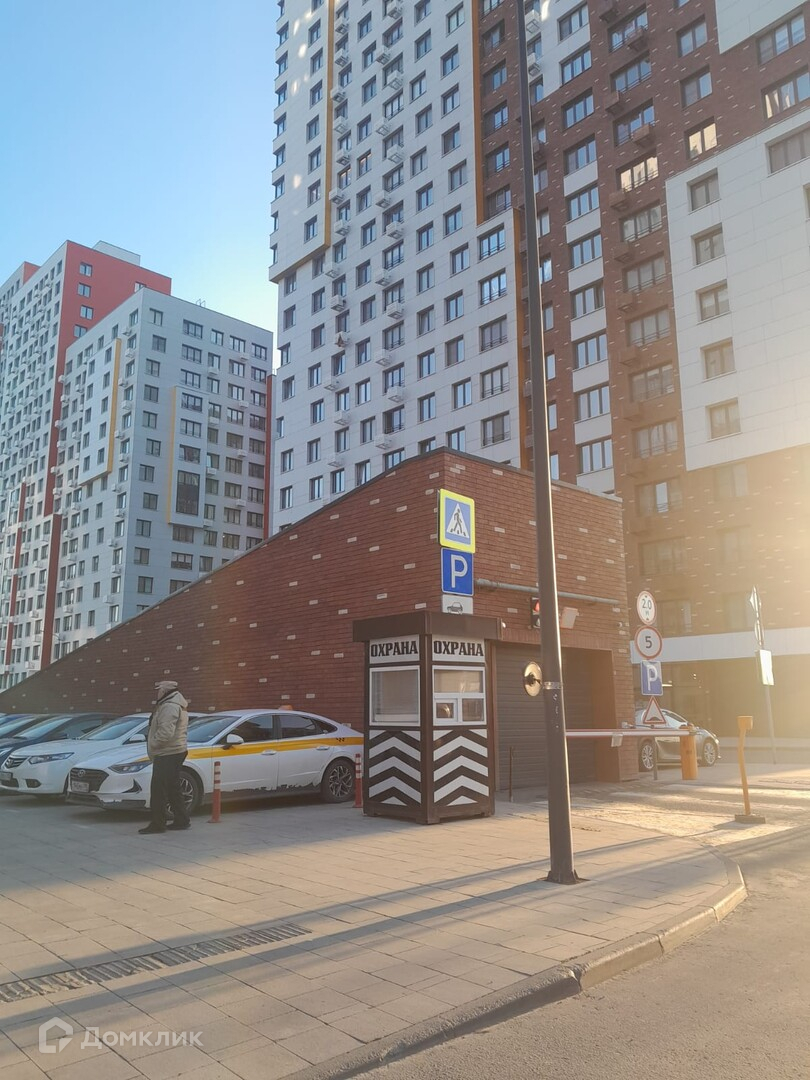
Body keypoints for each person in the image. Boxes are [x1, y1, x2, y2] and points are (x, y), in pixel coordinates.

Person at [139, 680, 191, 835]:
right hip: (174, 751)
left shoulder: (169, 706)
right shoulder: (173, 704)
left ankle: (158, 824)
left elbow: (166, 732)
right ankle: (182, 820)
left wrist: (153, 744)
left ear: (165, 691)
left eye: (159, 690)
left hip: (167, 752)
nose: (157, 692)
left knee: (158, 790)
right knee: (173, 787)